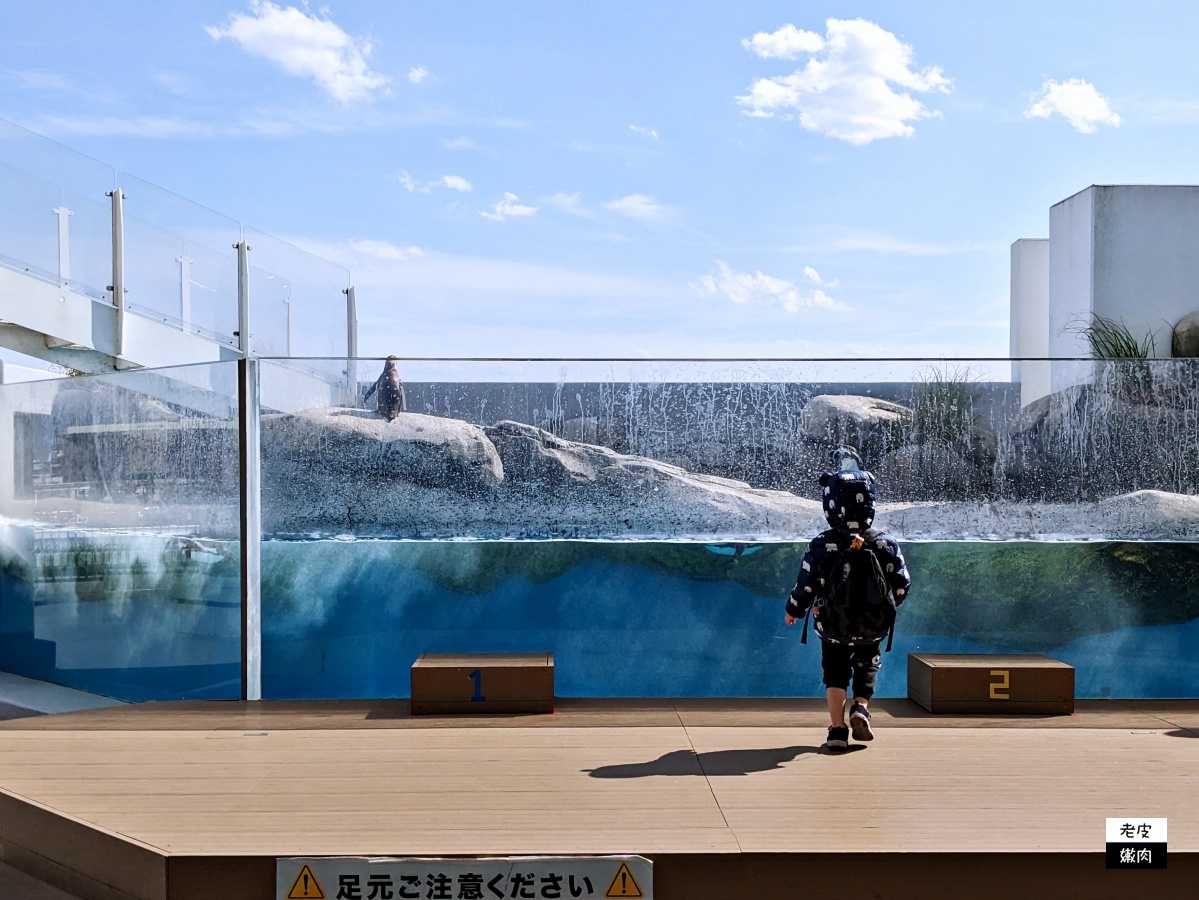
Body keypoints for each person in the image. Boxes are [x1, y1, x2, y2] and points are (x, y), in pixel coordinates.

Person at [784, 447, 911, 751]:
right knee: (867, 668)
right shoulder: (884, 543)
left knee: (835, 673)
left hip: (833, 627)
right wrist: (885, 608)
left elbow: (807, 585)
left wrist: (794, 610)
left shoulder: (821, 544)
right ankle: (862, 708)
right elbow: (902, 584)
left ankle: (838, 730)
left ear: (830, 504)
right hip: (872, 627)